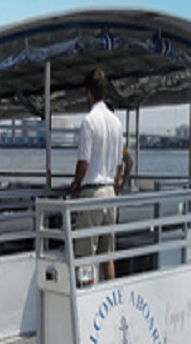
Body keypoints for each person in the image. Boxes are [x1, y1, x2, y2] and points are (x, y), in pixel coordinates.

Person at [71, 68, 126, 285]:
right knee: (107, 254)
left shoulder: (89, 121)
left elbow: (84, 162)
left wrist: (75, 183)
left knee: (85, 256)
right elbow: (120, 164)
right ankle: (111, 293)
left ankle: (86, 300)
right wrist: (115, 184)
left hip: (92, 192)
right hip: (111, 193)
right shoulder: (116, 123)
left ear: (88, 94)